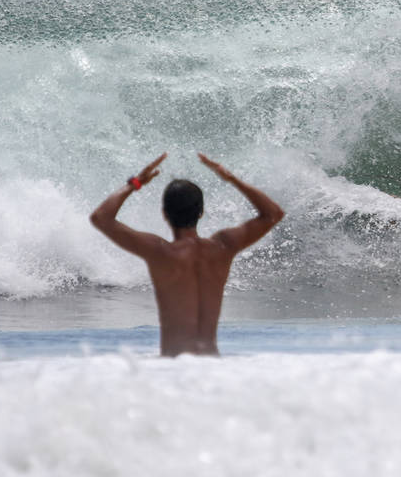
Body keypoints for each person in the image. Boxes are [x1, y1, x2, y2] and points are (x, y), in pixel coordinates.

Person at [89, 152, 285, 357]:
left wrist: (136, 183)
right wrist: (231, 179)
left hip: (177, 368)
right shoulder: (223, 247)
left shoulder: (160, 251)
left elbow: (101, 218)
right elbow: (273, 213)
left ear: (165, 214)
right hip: (213, 364)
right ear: (201, 212)